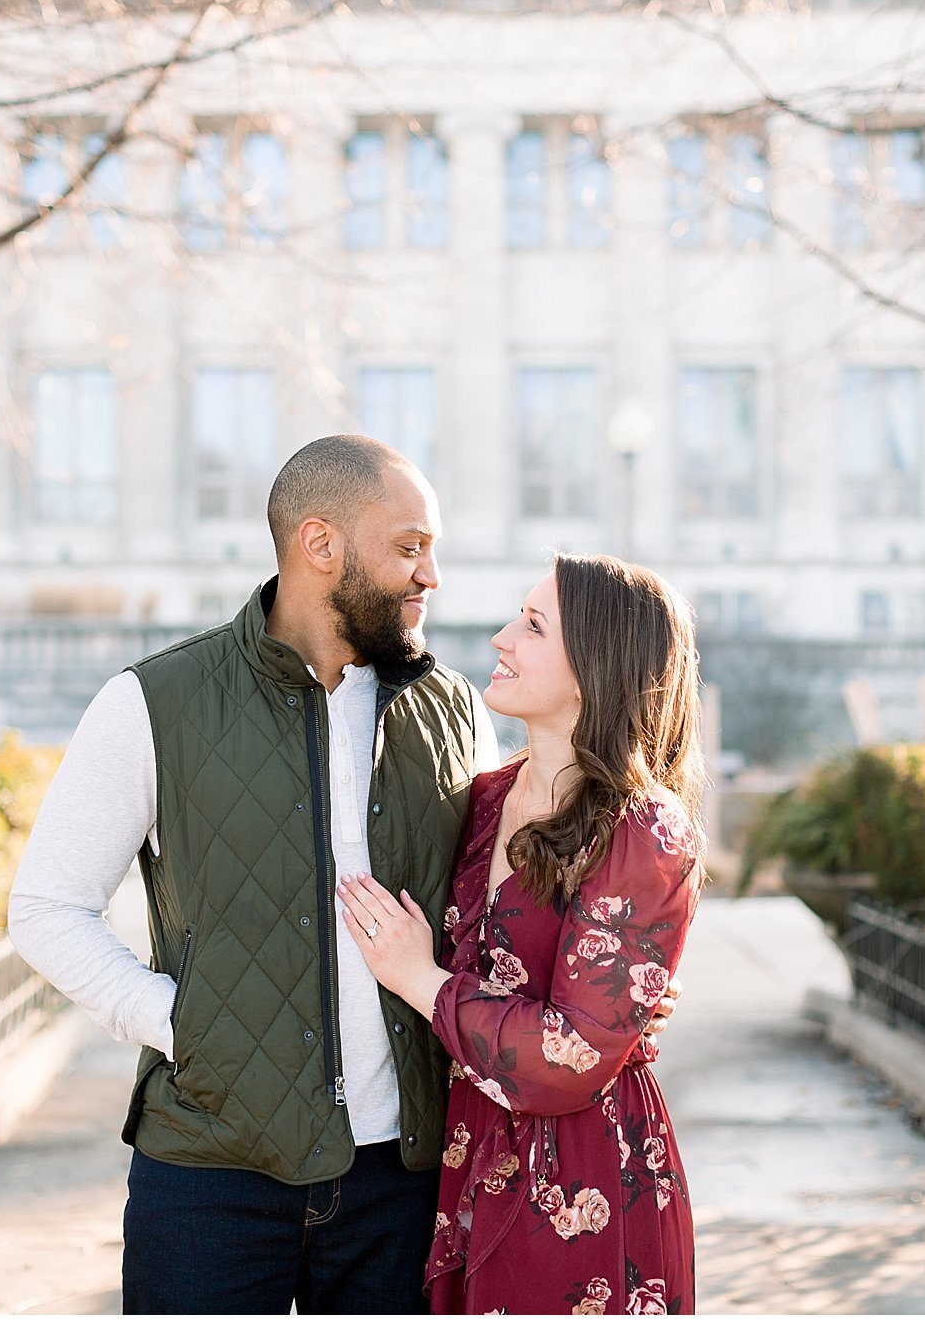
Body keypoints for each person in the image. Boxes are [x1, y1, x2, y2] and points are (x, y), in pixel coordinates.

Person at [7, 434, 501, 1313]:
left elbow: (492, 916)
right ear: (321, 544)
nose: (431, 576)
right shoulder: (157, 701)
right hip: (209, 1176)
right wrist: (182, 1024)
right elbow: (48, 907)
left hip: (407, 1180)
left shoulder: (454, 708)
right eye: (410, 547)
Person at [337, 552, 706, 1315]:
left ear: (594, 667)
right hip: (462, 1163)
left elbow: (568, 1055)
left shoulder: (644, 830)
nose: (502, 638)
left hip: (582, 1181)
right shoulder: (482, 797)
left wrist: (417, 977)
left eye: (534, 625)